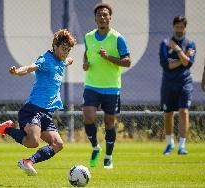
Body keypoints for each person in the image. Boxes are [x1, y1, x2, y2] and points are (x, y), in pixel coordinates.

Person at [0, 29, 76, 176]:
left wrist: (69, 60)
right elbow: (30, 68)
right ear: (55, 45)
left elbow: (67, 60)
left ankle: (28, 162)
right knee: (33, 142)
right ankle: (6, 129)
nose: (65, 53)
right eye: (63, 49)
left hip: (46, 113)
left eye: (68, 50)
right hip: (32, 109)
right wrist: (17, 71)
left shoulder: (62, 60)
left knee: (58, 144)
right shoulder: (45, 59)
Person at [82, 3, 131, 169]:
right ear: (95, 18)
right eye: (99, 15)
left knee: (109, 123)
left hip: (111, 87)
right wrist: (85, 63)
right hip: (91, 86)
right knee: (88, 118)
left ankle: (108, 157)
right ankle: (95, 147)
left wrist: (108, 57)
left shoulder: (118, 38)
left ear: (110, 18)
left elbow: (127, 61)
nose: (102, 18)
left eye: (105, 15)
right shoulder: (88, 37)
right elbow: (86, 53)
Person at [159, 16, 196, 155]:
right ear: (173, 27)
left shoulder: (190, 44)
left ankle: (182, 146)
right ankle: (170, 144)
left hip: (184, 83)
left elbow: (189, 63)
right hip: (168, 84)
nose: (179, 29)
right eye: (177, 27)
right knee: (168, 114)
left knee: (183, 112)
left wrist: (178, 51)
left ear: (185, 28)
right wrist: (183, 57)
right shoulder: (165, 43)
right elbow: (166, 65)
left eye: (182, 27)